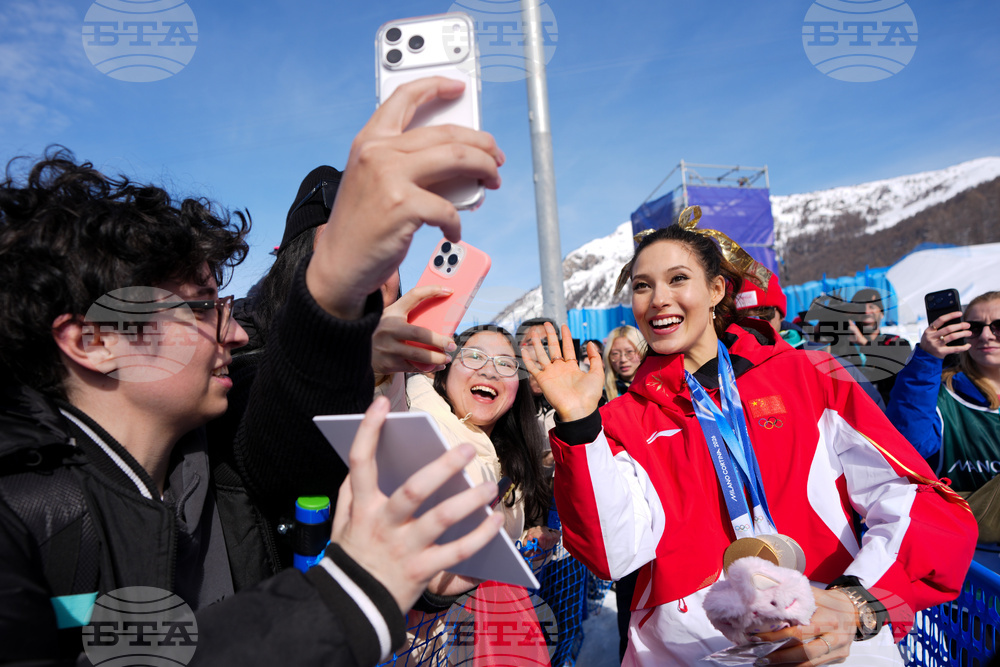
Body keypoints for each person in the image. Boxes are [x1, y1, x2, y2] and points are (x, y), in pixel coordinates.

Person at [0, 76, 507, 664]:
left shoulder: (220, 454)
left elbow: (291, 439)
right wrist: (348, 599)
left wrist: (414, 574)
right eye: (200, 309)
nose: (235, 330)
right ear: (91, 341)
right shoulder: (23, 520)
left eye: (227, 306)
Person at [522, 208, 977, 666]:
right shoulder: (624, 418)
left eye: (678, 278)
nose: (658, 298)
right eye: (643, 286)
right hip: (689, 651)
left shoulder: (807, 375)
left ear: (716, 289)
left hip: (827, 638)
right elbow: (612, 556)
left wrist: (858, 601)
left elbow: (911, 497)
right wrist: (580, 424)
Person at [887, 291, 1000, 492]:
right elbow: (907, 450)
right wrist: (927, 359)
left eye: (998, 327)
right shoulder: (941, 395)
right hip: (972, 519)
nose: (986, 335)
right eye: (974, 328)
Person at [848, 287, 913, 405]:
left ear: (882, 314)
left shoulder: (896, 343)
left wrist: (865, 344)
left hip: (889, 414)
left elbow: (900, 366)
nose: (866, 312)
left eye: (872, 307)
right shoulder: (843, 348)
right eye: (861, 308)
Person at [604, 325, 646, 401]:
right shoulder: (601, 396)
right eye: (615, 353)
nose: (623, 359)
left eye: (630, 352)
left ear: (642, 353)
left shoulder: (656, 389)